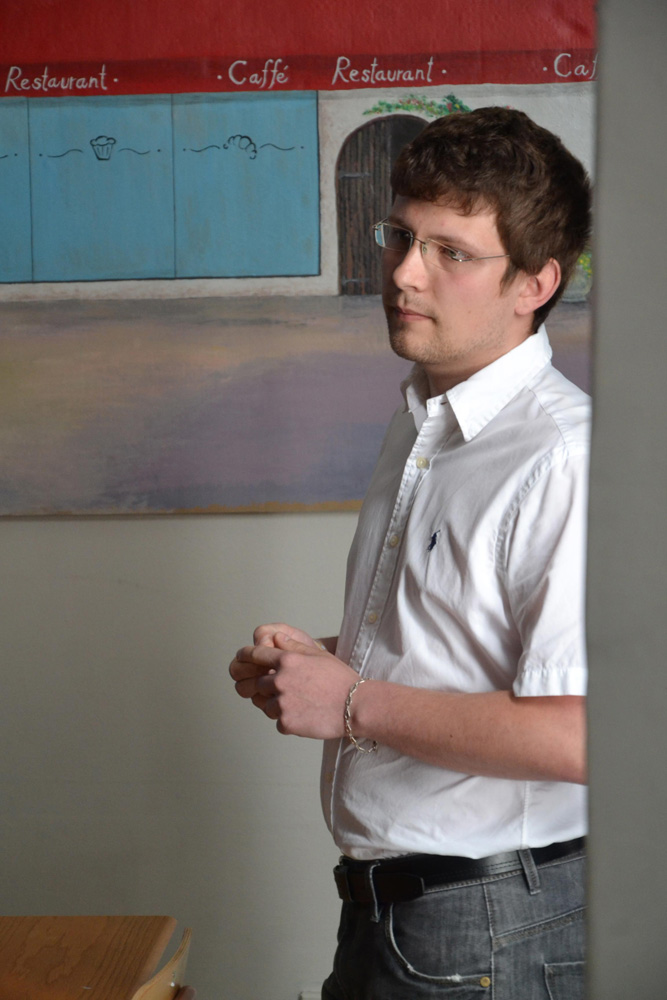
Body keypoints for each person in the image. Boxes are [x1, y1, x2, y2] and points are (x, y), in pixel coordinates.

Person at [230, 106, 591, 1000]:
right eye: (400, 237)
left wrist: (351, 701)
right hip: (397, 914)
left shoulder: (566, 458)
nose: (401, 273)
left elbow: (585, 733)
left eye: (449, 252)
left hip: (493, 926)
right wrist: (324, 666)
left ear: (534, 282)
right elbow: (463, 644)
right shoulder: (424, 420)